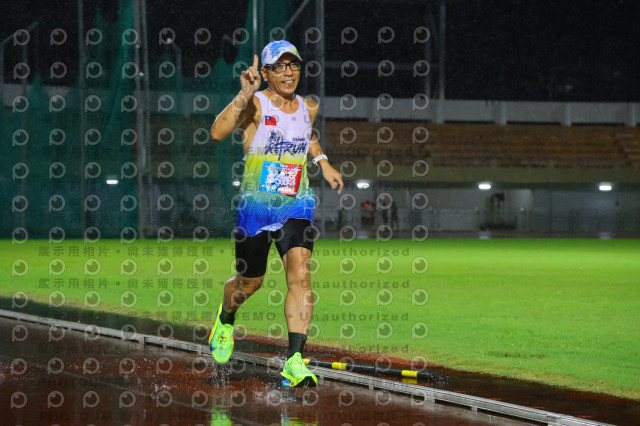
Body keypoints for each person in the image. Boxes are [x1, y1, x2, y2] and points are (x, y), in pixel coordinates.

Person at [207, 40, 344, 387]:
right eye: (280, 66)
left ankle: (294, 360)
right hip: (255, 207)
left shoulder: (308, 106)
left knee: (300, 273)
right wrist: (244, 94)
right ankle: (226, 317)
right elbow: (217, 132)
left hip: (296, 203)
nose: (288, 72)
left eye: (293, 65)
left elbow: (306, 135)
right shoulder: (254, 104)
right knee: (248, 283)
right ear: (266, 73)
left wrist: (323, 162)